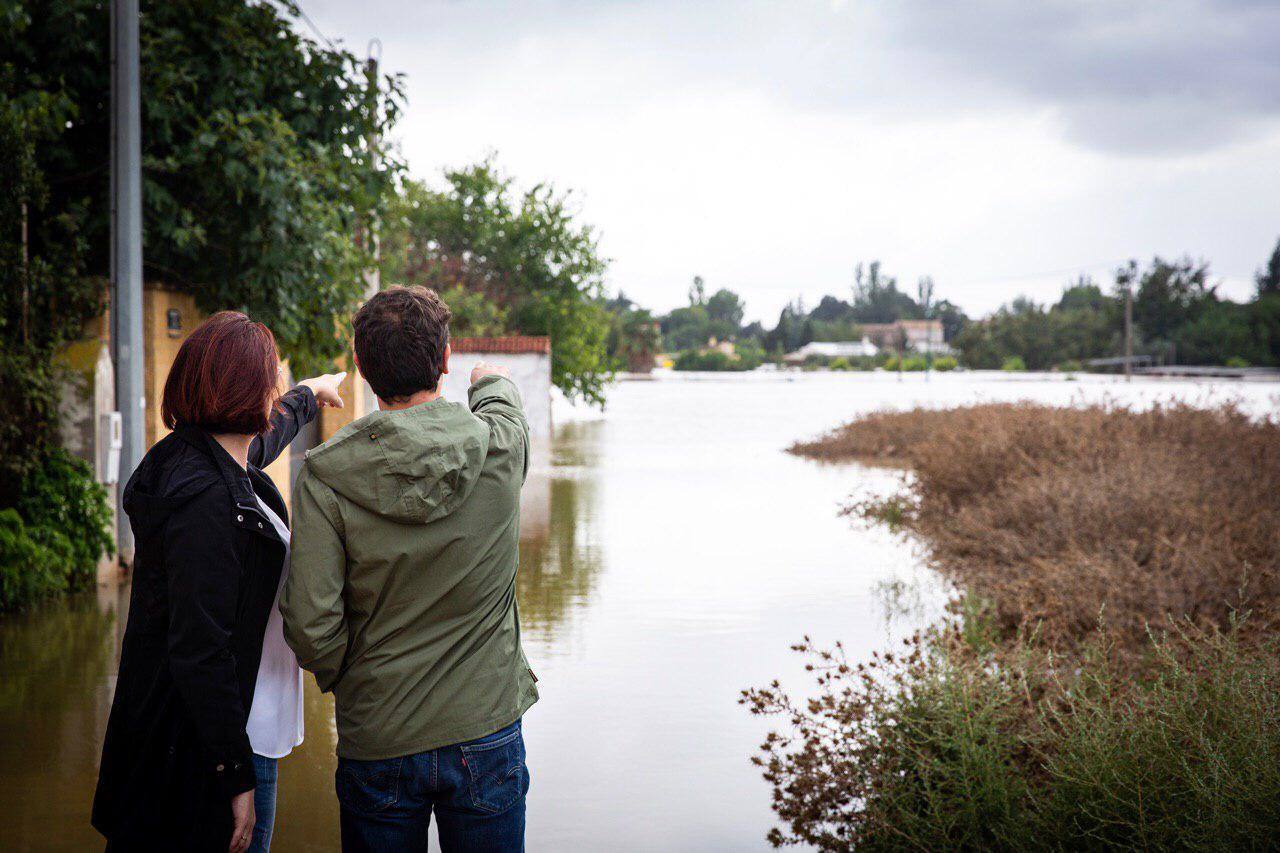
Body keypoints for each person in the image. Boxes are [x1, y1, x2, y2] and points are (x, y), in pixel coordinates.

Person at [281, 285, 538, 852]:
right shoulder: (497, 449)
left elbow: (309, 622)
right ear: (445, 360)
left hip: (379, 736)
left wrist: (361, 679)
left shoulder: (325, 475)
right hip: (486, 728)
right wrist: (490, 378)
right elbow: (506, 412)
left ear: (361, 367)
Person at [91, 311, 345, 852]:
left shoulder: (203, 457)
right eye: (272, 377)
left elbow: (261, 444)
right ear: (246, 392)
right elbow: (199, 651)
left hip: (237, 729)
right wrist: (235, 777)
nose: (278, 385)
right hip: (222, 745)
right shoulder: (205, 502)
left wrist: (310, 393)